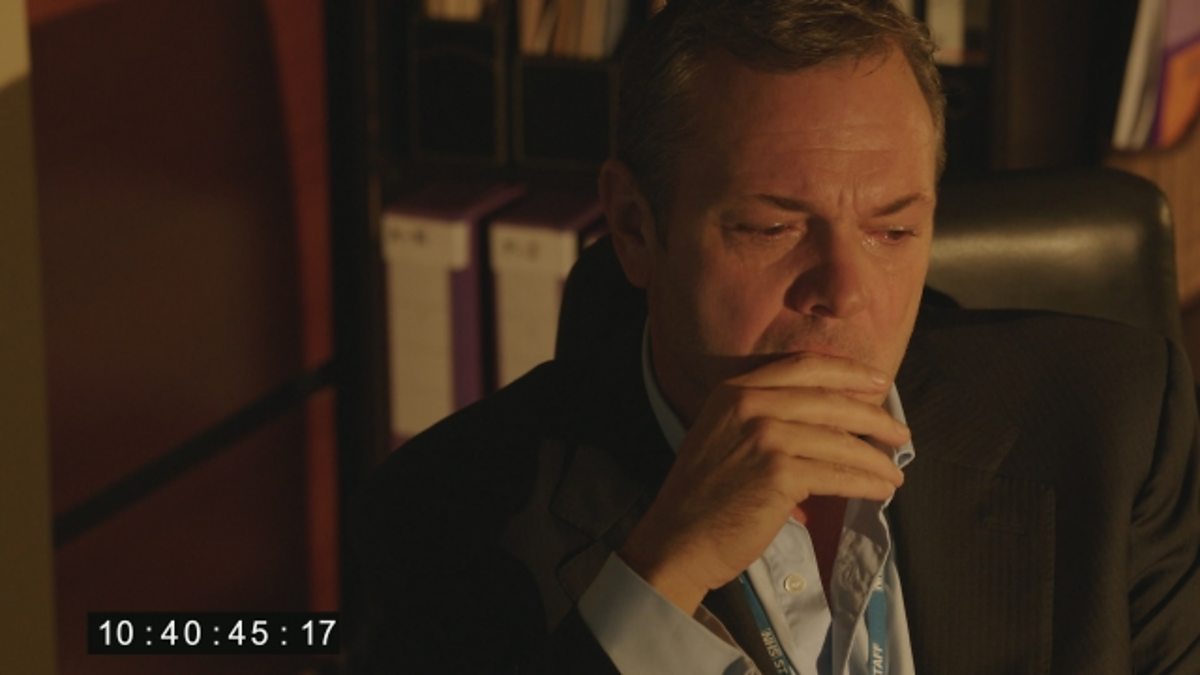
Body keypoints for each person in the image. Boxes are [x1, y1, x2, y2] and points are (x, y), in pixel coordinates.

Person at [354, 1, 1200, 673]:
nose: (846, 290)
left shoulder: (1116, 425)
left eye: (893, 230)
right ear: (635, 227)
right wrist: (662, 576)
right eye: (770, 228)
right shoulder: (441, 518)